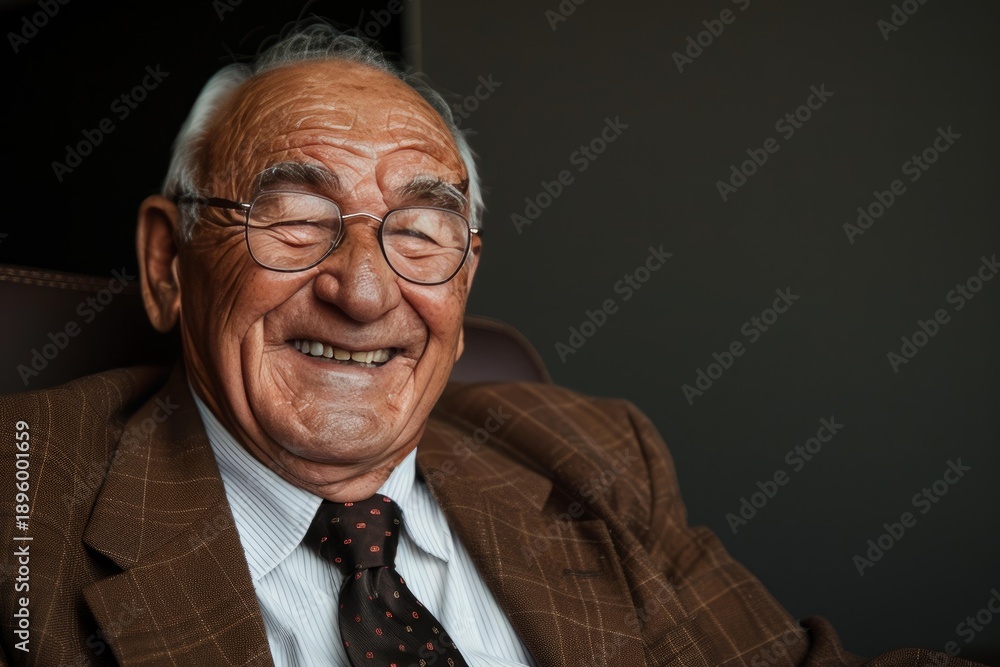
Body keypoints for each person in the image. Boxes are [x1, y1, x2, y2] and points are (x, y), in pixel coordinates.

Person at [0, 21, 982, 667]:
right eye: (297, 217)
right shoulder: (22, 504)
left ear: (465, 280)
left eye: (421, 231)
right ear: (169, 266)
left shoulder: (592, 457)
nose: (365, 288)